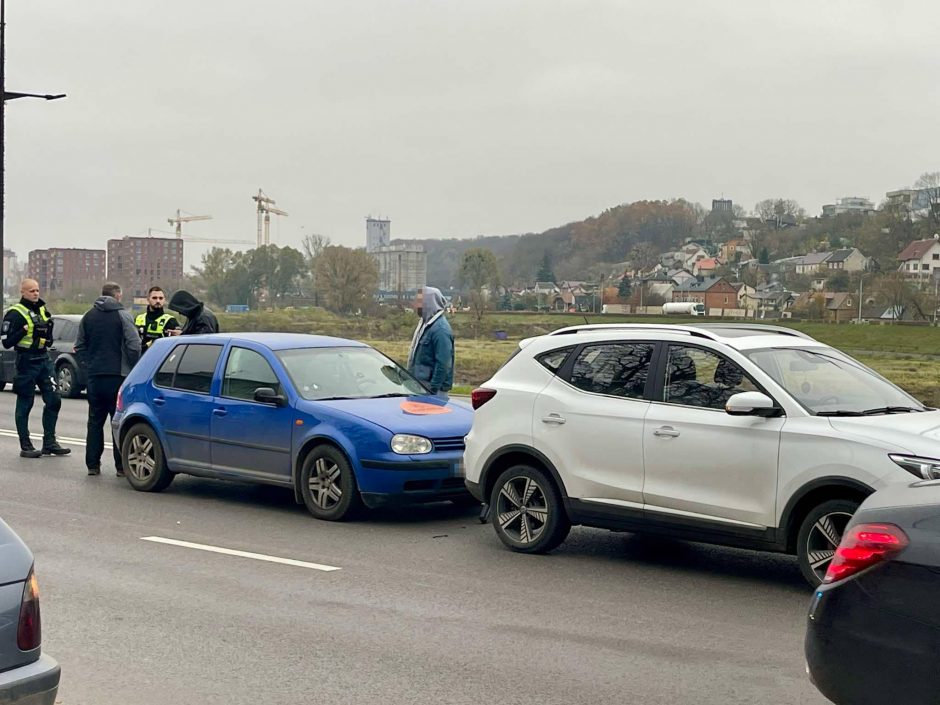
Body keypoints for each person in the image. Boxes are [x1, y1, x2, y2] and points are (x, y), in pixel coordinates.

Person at [75, 282, 141, 477]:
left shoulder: (88, 316)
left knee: (94, 422)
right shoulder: (123, 316)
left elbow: (79, 346)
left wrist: (88, 365)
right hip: (118, 376)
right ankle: (121, 467)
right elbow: (134, 344)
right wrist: (134, 367)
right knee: (118, 422)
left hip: (95, 377)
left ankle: (93, 465)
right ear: (118, 296)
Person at [0, 279, 70, 458]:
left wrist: (48, 337)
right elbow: (7, 342)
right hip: (26, 361)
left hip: (44, 359)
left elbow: (49, 335)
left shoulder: (42, 310)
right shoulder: (14, 313)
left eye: (37, 290)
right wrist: (22, 331)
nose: (36, 293)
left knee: (54, 399)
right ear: (22, 292)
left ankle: (49, 442)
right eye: (31, 291)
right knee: (26, 403)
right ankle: (26, 445)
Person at [407, 286, 454, 400]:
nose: (415, 305)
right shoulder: (425, 325)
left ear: (429, 302)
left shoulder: (440, 330)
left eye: (419, 301)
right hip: (420, 388)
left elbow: (443, 363)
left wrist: (432, 390)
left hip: (432, 392)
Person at [136, 286, 180, 352]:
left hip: (160, 359)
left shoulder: (170, 320)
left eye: (161, 298)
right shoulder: (138, 319)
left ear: (164, 300)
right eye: (154, 298)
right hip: (140, 358)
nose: (158, 301)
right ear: (148, 299)